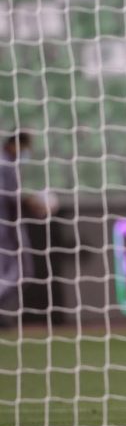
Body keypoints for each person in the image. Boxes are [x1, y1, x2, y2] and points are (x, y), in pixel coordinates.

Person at [0, 132, 50, 324]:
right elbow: (8, 198)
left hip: (10, 228)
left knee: (21, 272)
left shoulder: (10, 165)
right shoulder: (3, 164)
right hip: (5, 230)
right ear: (16, 144)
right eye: (26, 147)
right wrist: (32, 203)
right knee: (20, 272)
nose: (27, 152)